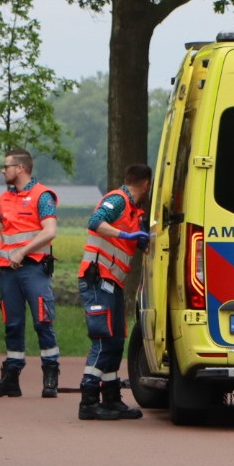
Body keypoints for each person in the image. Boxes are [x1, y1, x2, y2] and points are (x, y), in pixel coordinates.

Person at [76, 164, 153, 420]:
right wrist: (126, 235)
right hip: (98, 279)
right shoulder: (118, 200)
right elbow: (95, 222)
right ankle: (88, 400)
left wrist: (139, 240)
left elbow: (130, 239)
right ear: (146, 185)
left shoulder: (133, 210)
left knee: (117, 339)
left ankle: (110, 398)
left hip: (113, 282)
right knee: (103, 338)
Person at [0, 149, 61, 398]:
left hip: (33, 268)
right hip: (7, 271)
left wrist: (22, 253)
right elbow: (1, 231)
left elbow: (50, 231)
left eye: (6, 166)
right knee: (12, 323)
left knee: (42, 321)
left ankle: (51, 374)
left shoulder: (42, 195)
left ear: (20, 168)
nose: (3, 170)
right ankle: (11, 377)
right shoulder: (4, 198)